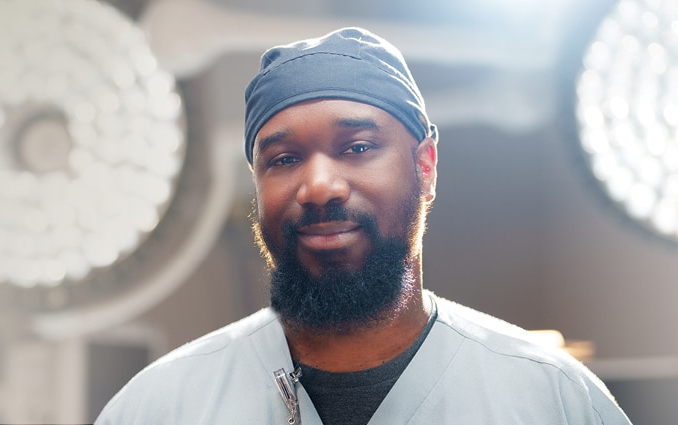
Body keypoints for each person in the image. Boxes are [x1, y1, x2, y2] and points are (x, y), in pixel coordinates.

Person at [96, 27, 631, 425]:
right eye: (282, 159)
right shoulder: (161, 406)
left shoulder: (550, 399)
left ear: (425, 167)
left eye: (357, 148)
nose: (319, 186)